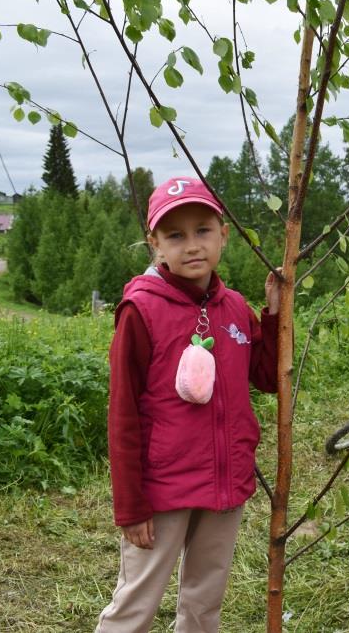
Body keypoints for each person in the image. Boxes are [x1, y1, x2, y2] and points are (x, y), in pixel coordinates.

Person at [96, 177, 280, 632]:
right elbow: (122, 414)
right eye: (175, 235)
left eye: (203, 230)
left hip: (224, 482)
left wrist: (274, 314)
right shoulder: (141, 310)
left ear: (223, 234)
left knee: (204, 604)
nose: (192, 245)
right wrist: (131, 507)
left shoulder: (236, 309)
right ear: (154, 243)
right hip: (163, 490)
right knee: (137, 603)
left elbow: (267, 376)